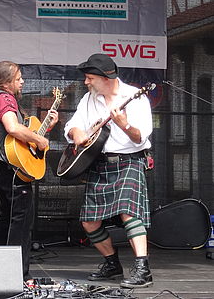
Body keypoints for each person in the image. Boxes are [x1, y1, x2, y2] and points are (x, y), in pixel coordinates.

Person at [64, 53, 153, 288]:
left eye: (90, 78)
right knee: (89, 222)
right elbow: (72, 124)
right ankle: (112, 263)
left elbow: (141, 136)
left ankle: (143, 269)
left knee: (129, 213)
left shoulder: (135, 98)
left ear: (107, 77)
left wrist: (124, 124)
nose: (86, 82)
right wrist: (77, 133)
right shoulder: (89, 99)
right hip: (99, 163)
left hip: (129, 161)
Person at [0, 61, 58, 281]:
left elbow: (19, 134)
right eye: (18, 78)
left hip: (1, 165)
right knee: (21, 219)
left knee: (8, 215)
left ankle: (2, 270)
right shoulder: (4, 98)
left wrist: (46, 127)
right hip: (10, 167)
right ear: (5, 82)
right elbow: (13, 128)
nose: (22, 82)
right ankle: (17, 275)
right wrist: (41, 139)